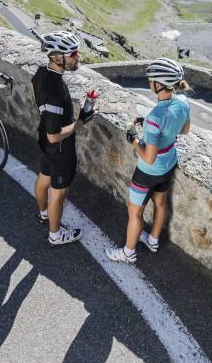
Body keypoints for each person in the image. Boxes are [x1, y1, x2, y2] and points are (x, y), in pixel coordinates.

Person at [105, 58, 192, 264]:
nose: (149, 82)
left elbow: (149, 157)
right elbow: (185, 130)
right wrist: (158, 130)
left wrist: (134, 139)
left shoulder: (155, 117)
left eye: (151, 79)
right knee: (160, 202)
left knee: (135, 212)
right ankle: (153, 240)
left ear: (159, 85)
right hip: (169, 163)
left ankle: (128, 252)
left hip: (148, 171)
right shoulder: (183, 102)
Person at [32, 31, 95, 245]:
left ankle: (43, 214)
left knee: (43, 178)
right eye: (74, 54)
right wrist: (81, 120)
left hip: (44, 141)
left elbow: (34, 88)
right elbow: (54, 136)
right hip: (59, 149)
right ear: (58, 57)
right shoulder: (56, 93)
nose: (78, 58)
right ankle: (55, 235)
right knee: (57, 193)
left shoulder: (41, 74)